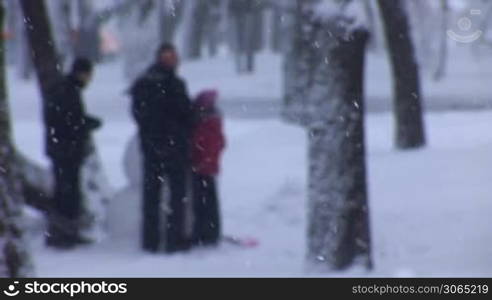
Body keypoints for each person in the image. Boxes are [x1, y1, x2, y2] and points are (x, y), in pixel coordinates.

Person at [130, 43, 193, 253]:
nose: (171, 60)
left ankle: (153, 241)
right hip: (168, 148)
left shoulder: (146, 82)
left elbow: (140, 115)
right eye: (167, 56)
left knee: (155, 197)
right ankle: (172, 240)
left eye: (172, 56)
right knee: (173, 196)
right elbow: (184, 115)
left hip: (155, 148)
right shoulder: (169, 84)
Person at [44, 57, 102, 249]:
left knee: (65, 191)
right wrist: (88, 124)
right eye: (89, 75)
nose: (90, 79)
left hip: (61, 149)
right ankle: (63, 234)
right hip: (66, 151)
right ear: (82, 73)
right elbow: (69, 122)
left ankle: (63, 232)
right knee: (67, 193)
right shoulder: (68, 91)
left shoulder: (65, 88)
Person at [191, 90, 225, 247]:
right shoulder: (214, 122)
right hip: (209, 168)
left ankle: (204, 234)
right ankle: (210, 233)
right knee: (209, 202)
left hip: (201, 168)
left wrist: (199, 162)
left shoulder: (205, 123)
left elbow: (203, 145)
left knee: (202, 203)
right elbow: (220, 144)